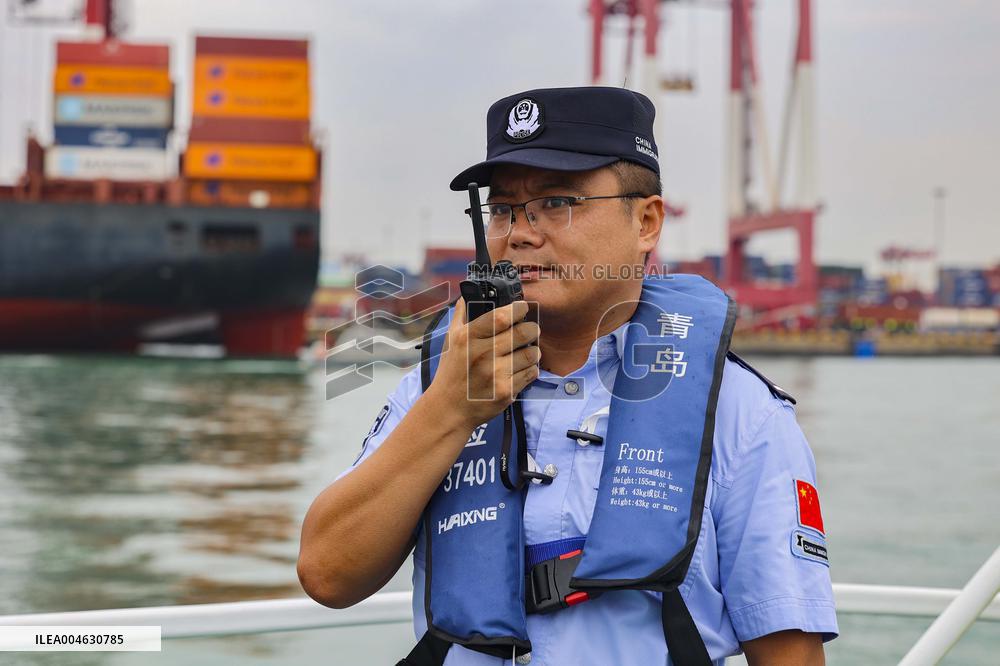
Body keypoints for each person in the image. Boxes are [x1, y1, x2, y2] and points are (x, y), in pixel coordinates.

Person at [298, 87, 838, 665]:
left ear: (647, 221)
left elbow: (790, 656)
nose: (521, 232)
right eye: (503, 209)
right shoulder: (436, 389)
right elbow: (328, 575)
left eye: (556, 203)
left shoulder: (739, 414)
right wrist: (451, 409)